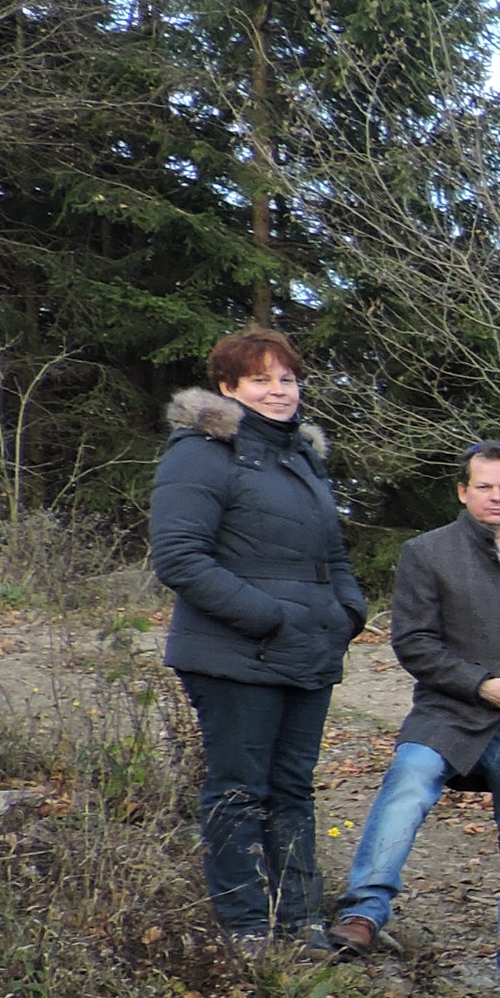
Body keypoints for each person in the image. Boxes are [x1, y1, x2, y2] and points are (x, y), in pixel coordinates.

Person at [326, 444, 500, 998]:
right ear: (464, 491)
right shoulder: (428, 553)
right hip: (450, 714)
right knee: (408, 782)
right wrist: (483, 685)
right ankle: (364, 912)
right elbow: (415, 642)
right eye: (485, 487)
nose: (496, 497)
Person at [150, 333, 367, 946]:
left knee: (293, 791)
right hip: (234, 656)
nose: (278, 392)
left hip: (309, 653)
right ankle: (248, 930)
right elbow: (180, 559)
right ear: (227, 388)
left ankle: (300, 922)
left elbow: (333, 555)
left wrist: (348, 610)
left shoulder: (301, 457)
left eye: (287, 380)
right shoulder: (201, 453)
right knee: (239, 791)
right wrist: (272, 617)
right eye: (261, 380)